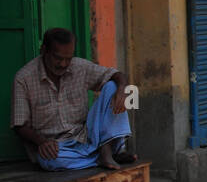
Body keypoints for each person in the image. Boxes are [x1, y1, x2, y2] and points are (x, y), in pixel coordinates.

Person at [11, 27, 135, 172]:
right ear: (44, 50)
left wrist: (122, 90)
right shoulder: (24, 78)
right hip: (57, 146)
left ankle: (105, 152)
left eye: (68, 59)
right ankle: (104, 155)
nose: (63, 64)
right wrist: (42, 142)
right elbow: (19, 125)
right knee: (50, 160)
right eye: (58, 58)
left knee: (114, 86)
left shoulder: (79, 66)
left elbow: (117, 74)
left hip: (85, 136)